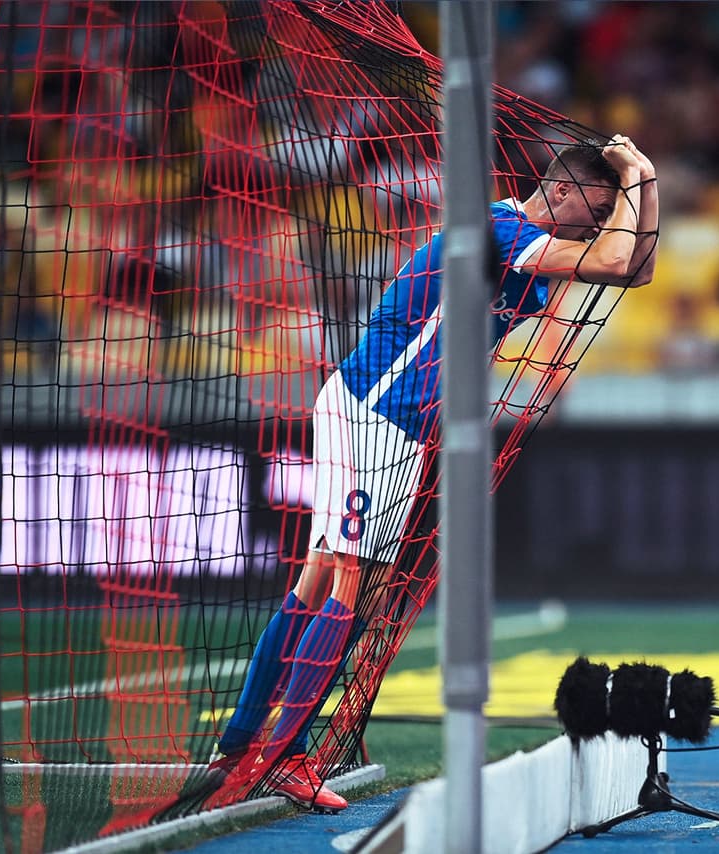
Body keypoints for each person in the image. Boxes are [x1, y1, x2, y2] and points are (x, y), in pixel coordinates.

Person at [209, 134, 658, 811]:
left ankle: (245, 737)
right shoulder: (500, 230)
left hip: (398, 422)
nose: (601, 220)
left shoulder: (527, 249)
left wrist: (642, 181)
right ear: (560, 191)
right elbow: (619, 254)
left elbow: (636, 269)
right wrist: (636, 175)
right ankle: (287, 756)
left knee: (335, 575)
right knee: (352, 581)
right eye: (596, 206)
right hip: (375, 409)